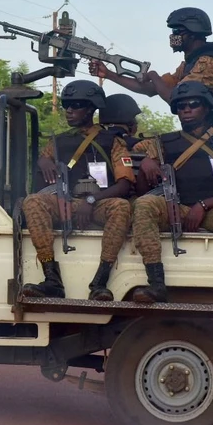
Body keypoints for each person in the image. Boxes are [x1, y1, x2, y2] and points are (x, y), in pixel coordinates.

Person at [128, 81, 213, 304]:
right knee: (143, 205)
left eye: (194, 104)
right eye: (181, 106)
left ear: (206, 107)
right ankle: (156, 283)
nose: (187, 110)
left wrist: (203, 205)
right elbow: (143, 192)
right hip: (174, 208)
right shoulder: (161, 144)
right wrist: (145, 167)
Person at [22, 80, 135, 301]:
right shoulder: (58, 141)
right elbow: (44, 159)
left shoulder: (112, 141)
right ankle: (51, 278)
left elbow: (124, 184)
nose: (69, 111)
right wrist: (43, 161)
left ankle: (100, 282)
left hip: (99, 202)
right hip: (65, 201)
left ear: (92, 109)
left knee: (121, 207)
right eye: (66, 105)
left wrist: (91, 200)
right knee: (32, 202)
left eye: (76, 105)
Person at [88, 7, 213, 133]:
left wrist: (153, 76)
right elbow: (150, 89)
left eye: (177, 32)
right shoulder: (189, 64)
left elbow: (174, 99)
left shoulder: (209, 63)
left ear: (192, 34)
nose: (173, 36)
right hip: (203, 135)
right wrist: (108, 74)